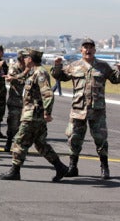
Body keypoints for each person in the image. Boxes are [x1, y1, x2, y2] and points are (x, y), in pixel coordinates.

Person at [51, 38, 120, 179]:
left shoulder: (103, 66)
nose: (88, 50)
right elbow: (60, 76)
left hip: (97, 110)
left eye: (90, 47)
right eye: (85, 47)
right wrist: (57, 66)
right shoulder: (74, 66)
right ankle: (72, 167)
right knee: (74, 139)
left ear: (94, 50)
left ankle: (104, 168)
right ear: (81, 50)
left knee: (100, 140)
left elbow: (115, 79)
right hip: (78, 110)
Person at [0, 49, 68, 182]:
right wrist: (12, 78)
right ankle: (60, 167)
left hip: (33, 115)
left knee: (19, 141)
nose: (24, 59)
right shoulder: (33, 72)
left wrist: (47, 113)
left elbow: (48, 93)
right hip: (32, 114)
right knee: (40, 144)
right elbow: (24, 79)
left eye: (26, 57)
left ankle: (15, 171)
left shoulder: (40, 72)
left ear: (30, 59)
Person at [3, 49, 30, 152]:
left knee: (24, 127)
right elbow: (12, 79)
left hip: (27, 102)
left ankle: (19, 146)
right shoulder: (14, 67)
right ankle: (9, 142)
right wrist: (24, 74)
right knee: (13, 125)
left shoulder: (30, 69)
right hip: (15, 101)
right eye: (26, 57)